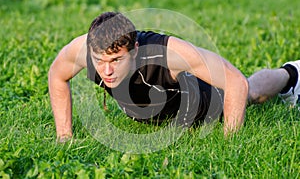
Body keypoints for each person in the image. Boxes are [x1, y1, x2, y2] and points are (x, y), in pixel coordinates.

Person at [48, 12, 300, 142]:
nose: (106, 71)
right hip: (156, 112)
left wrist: (229, 143)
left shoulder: (167, 54)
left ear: (134, 50)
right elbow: (57, 75)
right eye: (100, 61)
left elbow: (234, 81)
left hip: (198, 102)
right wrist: (64, 136)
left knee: (251, 91)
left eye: (116, 61)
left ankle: (290, 74)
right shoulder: (85, 51)